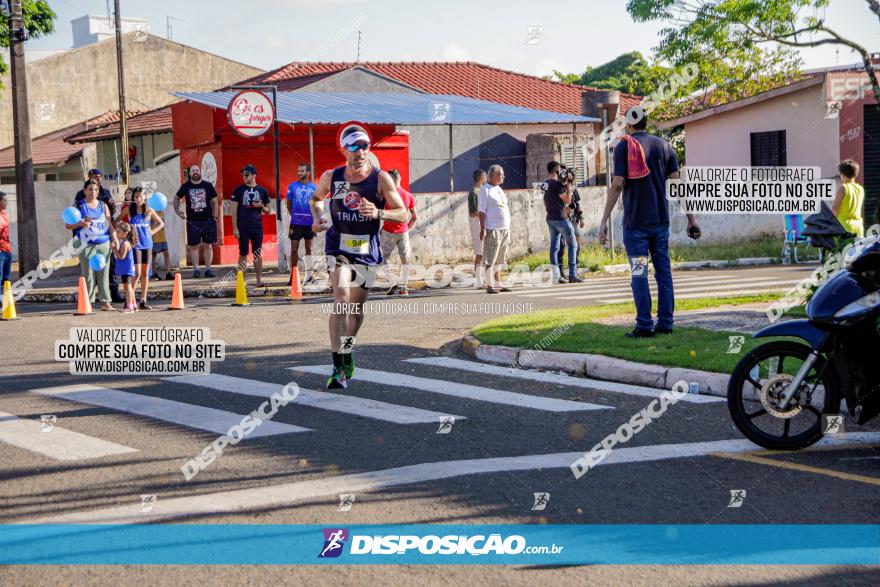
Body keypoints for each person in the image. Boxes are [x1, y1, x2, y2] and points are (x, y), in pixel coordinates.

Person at [310, 124, 407, 389]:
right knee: (341, 301)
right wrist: (318, 217)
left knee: (356, 308)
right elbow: (317, 198)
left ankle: (348, 348)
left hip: (365, 249)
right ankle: (337, 366)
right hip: (338, 247)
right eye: (354, 146)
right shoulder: (335, 177)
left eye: (364, 145)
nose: (360, 151)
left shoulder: (380, 179)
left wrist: (379, 213)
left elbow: (403, 213)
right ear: (344, 149)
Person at [599, 107, 701, 338]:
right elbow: (678, 187)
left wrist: (604, 220)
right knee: (663, 271)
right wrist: (691, 219)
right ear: (646, 122)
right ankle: (666, 322)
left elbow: (616, 185)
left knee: (639, 272)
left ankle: (644, 325)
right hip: (660, 224)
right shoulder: (665, 147)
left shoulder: (625, 146)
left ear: (628, 123)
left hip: (635, 225)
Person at [65, 179, 119, 311]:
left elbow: (109, 224)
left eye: (95, 189)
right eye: (90, 189)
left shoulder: (103, 205)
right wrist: (80, 224)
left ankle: (105, 302)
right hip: (85, 244)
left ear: (98, 191)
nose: (93, 192)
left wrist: (115, 239)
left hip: (104, 244)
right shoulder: (79, 205)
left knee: (104, 273)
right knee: (88, 274)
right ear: (84, 190)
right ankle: (87, 302)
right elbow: (68, 225)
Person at [117, 187, 164, 309]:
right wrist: (123, 234)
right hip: (135, 245)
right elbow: (116, 222)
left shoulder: (149, 210)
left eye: (141, 196)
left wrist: (152, 232)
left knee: (144, 273)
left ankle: (143, 300)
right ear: (133, 198)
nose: (139, 199)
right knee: (136, 273)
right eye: (136, 196)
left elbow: (161, 223)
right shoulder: (129, 210)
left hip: (147, 245)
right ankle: (129, 300)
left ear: (145, 197)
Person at [174, 164, 218, 278]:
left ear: (200, 172)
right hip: (193, 221)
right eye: (193, 170)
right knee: (194, 246)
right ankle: (196, 269)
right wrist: (177, 211)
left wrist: (215, 217)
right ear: (190, 173)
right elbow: (176, 198)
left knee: (208, 245)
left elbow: (215, 201)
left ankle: (208, 269)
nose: (196, 172)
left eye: (197, 170)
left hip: (208, 220)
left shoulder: (208, 185)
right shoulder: (186, 186)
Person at [231, 164, 271, 287]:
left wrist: (261, 207)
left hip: (257, 226)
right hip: (243, 226)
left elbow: (268, 210)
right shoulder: (238, 190)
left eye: (247, 175)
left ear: (254, 175)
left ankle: (259, 280)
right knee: (243, 253)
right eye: (243, 175)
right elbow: (233, 211)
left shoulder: (262, 190)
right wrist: (235, 228)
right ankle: (241, 282)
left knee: (257, 253)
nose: (244, 177)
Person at [380, 168, 417, 296]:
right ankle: (403, 288)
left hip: (388, 232)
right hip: (403, 232)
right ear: (400, 178)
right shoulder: (408, 195)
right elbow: (414, 216)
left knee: (381, 258)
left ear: (392, 179)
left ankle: (392, 281)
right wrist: (406, 228)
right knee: (405, 260)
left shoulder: (387, 195)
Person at [544, 161, 582, 284]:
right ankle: (573, 274)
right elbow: (568, 200)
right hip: (561, 218)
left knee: (554, 248)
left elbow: (545, 200)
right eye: (560, 170)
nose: (561, 172)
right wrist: (569, 186)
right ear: (556, 171)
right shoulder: (556, 184)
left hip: (550, 218)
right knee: (572, 245)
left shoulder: (545, 184)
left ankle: (556, 275)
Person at [478, 165, 512, 294]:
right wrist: (483, 229)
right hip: (492, 229)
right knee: (490, 259)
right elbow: (481, 211)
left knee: (499, 259)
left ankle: (498, 284)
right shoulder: (485, 190)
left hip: (504, 229)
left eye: (503, 174)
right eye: (500, 174)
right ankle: (489, 285)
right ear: (491, 176)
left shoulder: (499, 189)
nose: (502, 176)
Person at [287, 162, 317, 285]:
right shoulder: (292, 186)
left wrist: (315, 218)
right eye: (298, 171)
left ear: (308, 172)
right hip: (296, 223)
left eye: (302, 171)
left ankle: (309, 275)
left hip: (309, 223)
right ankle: (294, 275)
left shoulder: (314, 188)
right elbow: (288, 204)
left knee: (309, 248)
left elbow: (316, 205)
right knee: (294, 249)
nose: (299, 173)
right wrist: (295, 216)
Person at [831, 159, 865, 238]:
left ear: (842, 174)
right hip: (858, 228)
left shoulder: (843, 188)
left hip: (843, 228)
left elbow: (835, 208)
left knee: (841, 250)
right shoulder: (860, 189)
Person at [113, 222, 138, 313]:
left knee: (127, 288)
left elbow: (121, 256)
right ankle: (134, 304)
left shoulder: (125, 243)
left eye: (118, 231)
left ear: (125, 233)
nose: (116, 233)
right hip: (126, 268)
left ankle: (129, 306)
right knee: (129, 287)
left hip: (127, 269)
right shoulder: (125, 242)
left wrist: (113, 249)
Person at [467, 169, 486, 288]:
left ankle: (481, 279)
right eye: (485, 177)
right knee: (480, 254)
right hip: (477, 226)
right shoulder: (474, 192)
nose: (486, 179)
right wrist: (484, 212)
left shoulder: (480, 191)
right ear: (481, 178)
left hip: (481, 225)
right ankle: (478, 280)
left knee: (482, 253)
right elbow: (473, 212)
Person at [151, 209, 172, 280]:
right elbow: (151, 225)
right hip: (154, 237)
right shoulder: (151, 212)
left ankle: (168, 272)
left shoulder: (162, 213)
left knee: (166, 253)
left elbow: (163, 224)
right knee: (153, 255)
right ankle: (154, 273)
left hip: (162, 236)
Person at [0, 191, 11, 285]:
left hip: (7, 250)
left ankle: (5, 298)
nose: (7, 202)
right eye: (5, 200)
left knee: (6, 278)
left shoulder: (5, 215)